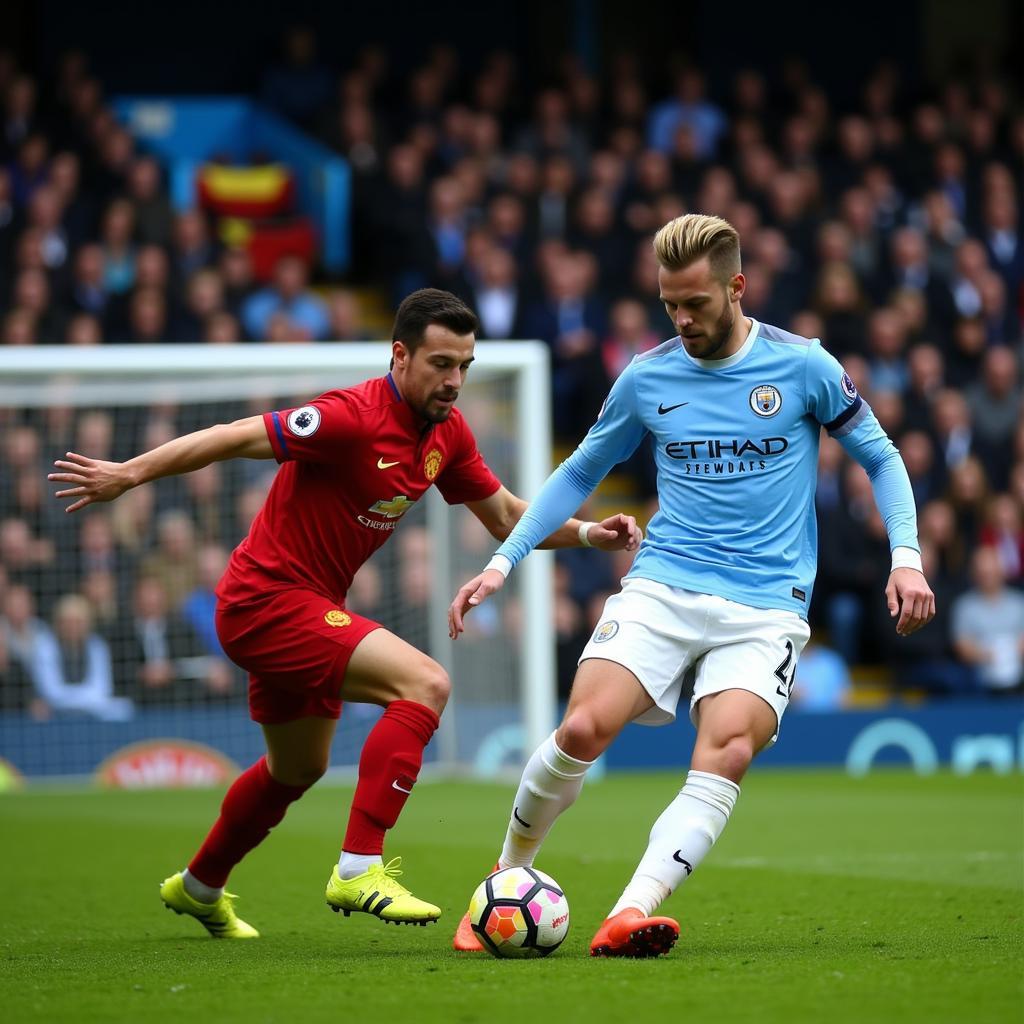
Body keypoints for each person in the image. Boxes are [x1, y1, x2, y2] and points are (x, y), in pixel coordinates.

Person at [49, 288, 640, 940]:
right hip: (264, 603)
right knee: (426, 682)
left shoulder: (447, 433)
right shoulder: (350, 417)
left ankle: (198, 886)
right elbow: (232, 435)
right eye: (441, 363)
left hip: (306, 608)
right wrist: (127, 476)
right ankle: (359, 866)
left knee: (295, 769)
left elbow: (504, 516)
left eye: (465, 365)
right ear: (399, 355)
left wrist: (589, 535)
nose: (454, 380)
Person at [446, 215, 936, 959]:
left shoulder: (803, 366)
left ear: (736, 287)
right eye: (668, 303)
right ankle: (503, 881)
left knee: (728, 748)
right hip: (665, 585)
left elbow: (882, 456)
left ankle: (629, 913)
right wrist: (503, 562)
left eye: (696, 304)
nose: (681, 319)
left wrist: (906, 556)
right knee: (581, 730)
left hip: (766, 606)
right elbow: (580, 471)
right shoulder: (648, 375)